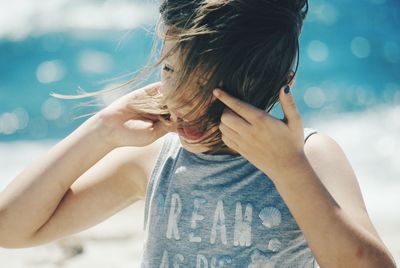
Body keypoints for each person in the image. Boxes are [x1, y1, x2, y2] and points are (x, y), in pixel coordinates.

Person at [0, 0, 396, 267]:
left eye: (211, 90)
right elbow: (12, 229)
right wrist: (101, 131)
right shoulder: (159, 158)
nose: (185, 101)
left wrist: (290, 171)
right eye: (172, 71)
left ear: (277, 84)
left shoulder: (309, 157)